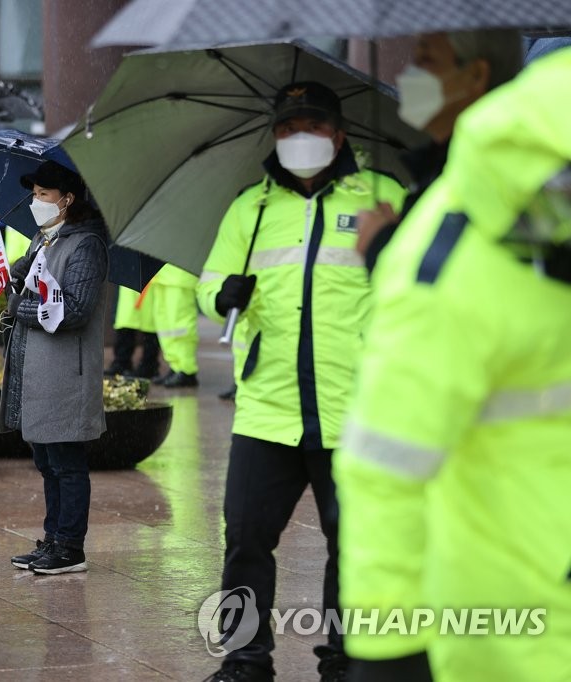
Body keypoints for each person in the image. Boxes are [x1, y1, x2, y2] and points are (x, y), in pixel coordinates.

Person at [337, 47, 571, 682]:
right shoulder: (452, 262)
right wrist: (389, 651)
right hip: (524, 633)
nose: (416, 74)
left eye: (434, 58)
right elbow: (386, 465)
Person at [196, 81, 406, 682]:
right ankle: (245, 659)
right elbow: (209, 282)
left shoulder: (384, 198)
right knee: (245, 542)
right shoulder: (251, 208)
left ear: (338, 134)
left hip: (356, 410)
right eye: (287, 129)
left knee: (354, 548)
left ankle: (343, 661)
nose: (298, 139)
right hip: (268, 409)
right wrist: (221, 293)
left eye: (311, 127)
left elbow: (421, 284)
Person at [3, 160, 109, 575]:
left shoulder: (85, 244)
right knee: (47, 459)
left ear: (67, 199)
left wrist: (18, 306)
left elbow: (76, 310)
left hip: (68, 372)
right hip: (40, 368)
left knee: (66, 460)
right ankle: (52, 539)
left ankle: (70, 547)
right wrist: (15, 276)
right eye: (34, 194)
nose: (36, 201)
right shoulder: (44, 240)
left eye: (43, 194)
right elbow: (34, 285)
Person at [357, 30, 522, 271]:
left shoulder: (495, 169)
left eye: (426, 62)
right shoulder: (441, 163)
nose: (408, 75)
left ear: (476, 75)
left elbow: (453, 276)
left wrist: (380, 243)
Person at [151, 263, 200, 388]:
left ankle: (187, 370)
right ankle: (175, 366)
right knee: (165, 325)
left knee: (181, 325)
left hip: (180, 275)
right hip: (161, 275)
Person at [106, 284, 161, 379]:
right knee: (125, 320)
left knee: (149, 323)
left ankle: (148, 364)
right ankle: (122, 361)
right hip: (130, 284)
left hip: (150, 282)